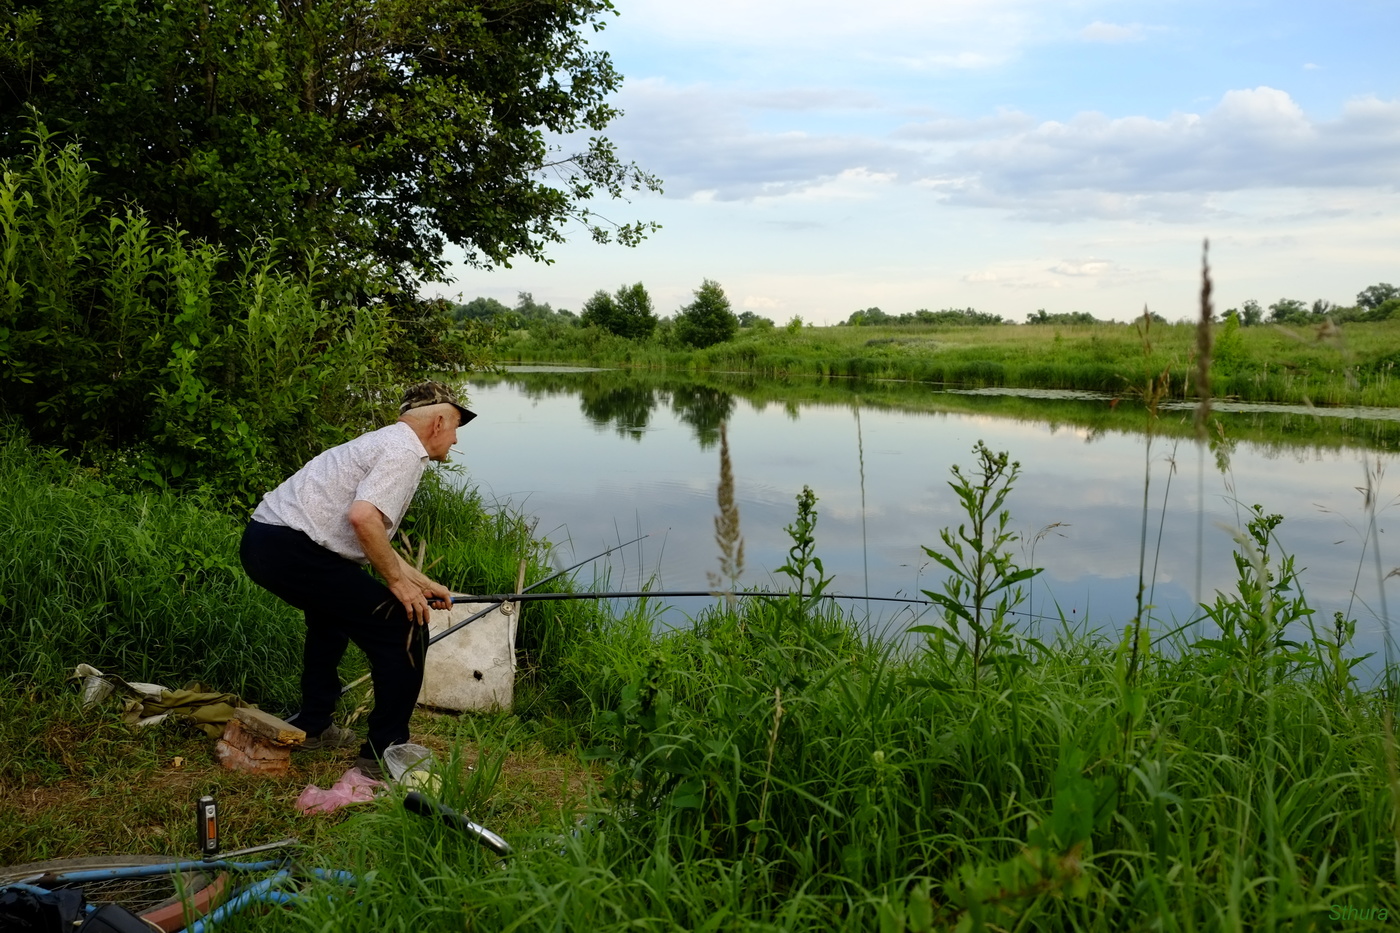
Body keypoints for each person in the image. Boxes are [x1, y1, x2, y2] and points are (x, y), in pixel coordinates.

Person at [239, 381, 475, 777]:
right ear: (437, 422)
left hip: (271, 541)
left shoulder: (386, 441)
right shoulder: (404, 451)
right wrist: (400, 588)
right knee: (403, 624)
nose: (454, 440)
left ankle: (313, 725)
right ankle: (385, 751)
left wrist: (416, 580)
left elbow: (371, 535)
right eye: (455, 428)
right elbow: (363, 519)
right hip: (292, 547)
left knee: (329, 621)